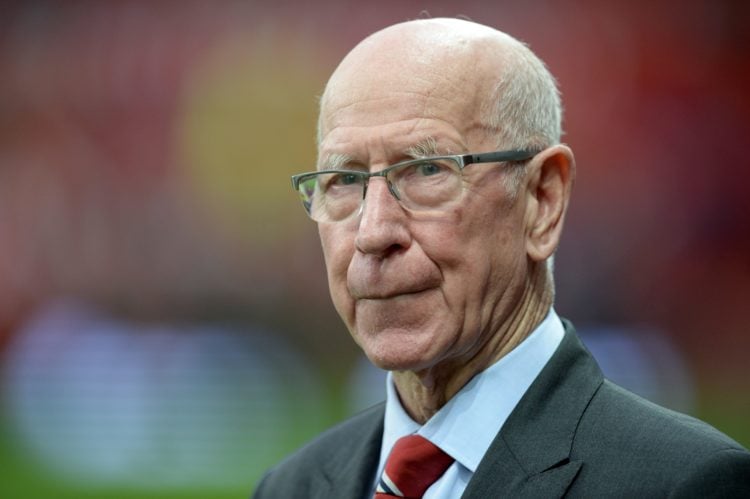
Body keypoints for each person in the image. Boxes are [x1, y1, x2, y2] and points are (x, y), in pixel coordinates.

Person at [253, 17, 750, 498]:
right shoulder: (290, 487)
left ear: (542, 200)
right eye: (345, 179)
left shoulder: (683, 483)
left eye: (427, 169)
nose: (373, 231)